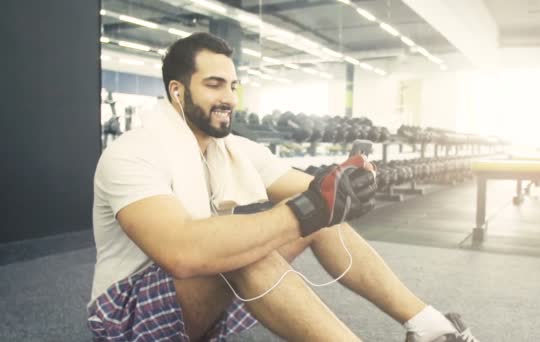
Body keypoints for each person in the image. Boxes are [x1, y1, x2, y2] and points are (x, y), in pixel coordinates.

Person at [87, 32, 479, 342]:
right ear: (177, 91)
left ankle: (427, 324)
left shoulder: (234, 149)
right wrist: (309, 207)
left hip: (192, 302)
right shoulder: (133, 153)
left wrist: (353, 182)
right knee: (242, 247)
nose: (228, 98)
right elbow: (182, 253)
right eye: (214, 84)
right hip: (126, 316)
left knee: (308, 221)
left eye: (233, 86)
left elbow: (314, 189)